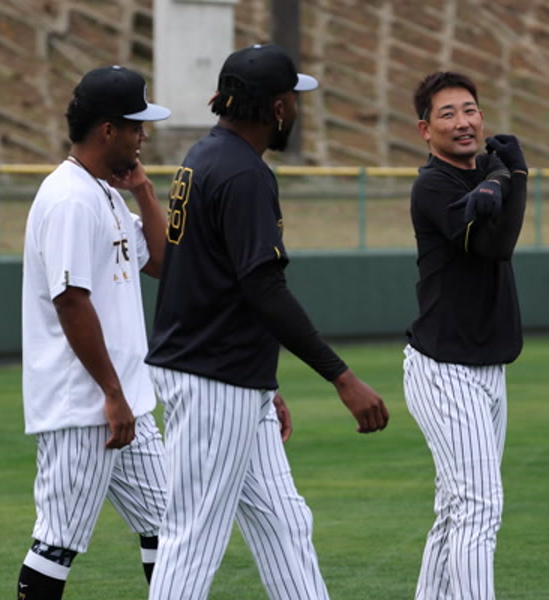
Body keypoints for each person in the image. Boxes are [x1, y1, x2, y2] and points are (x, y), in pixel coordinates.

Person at [145, 43, 390, 600]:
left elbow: (211, 277)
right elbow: (263, 288)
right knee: (194, 539)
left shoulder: (204, 155)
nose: (297, 110)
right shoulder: (243, 174)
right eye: (293, 99)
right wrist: (342, 377)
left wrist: (263, 381)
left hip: (228, 374)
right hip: (212, 378)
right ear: (277, 108)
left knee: (285, 523)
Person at [17, 65, 171, 600]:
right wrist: (111, 392)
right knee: (57, 542)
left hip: (126, 401)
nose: (143, 136)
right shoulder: (69, 198)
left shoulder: (104, 191)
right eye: (136, 126)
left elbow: (161, 263)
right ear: (108, 129)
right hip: (84, 405)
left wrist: (144, 189)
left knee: (170, 526)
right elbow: (70, 301)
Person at [403, 71, 529, 599]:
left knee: (456, 507)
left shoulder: (480, 175)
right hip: (444, 369)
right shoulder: (433, 185)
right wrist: (513, 176)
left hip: (486, 367)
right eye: (448, 114)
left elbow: (496, 209)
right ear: (425, 130)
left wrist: (502, 177)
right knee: (479, 505)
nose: (463, 122)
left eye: (470, 110)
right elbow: (496, 246)